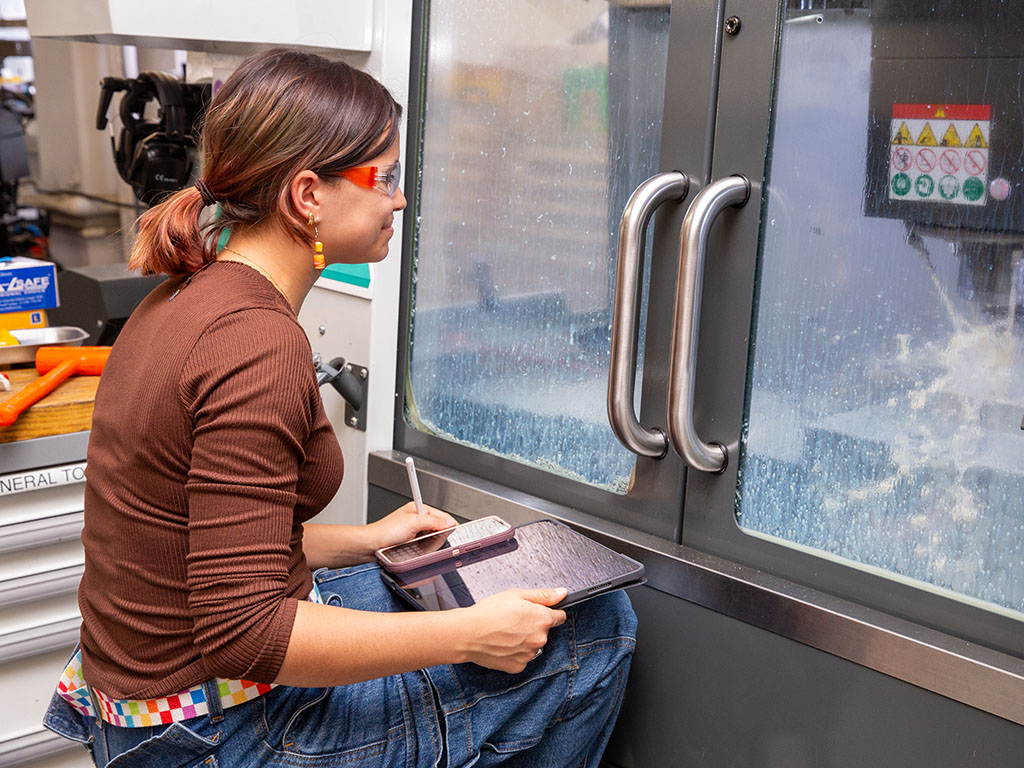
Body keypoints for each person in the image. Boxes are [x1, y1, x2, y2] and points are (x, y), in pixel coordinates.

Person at [42, 48, 637, 767]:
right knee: (598, 624)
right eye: (383, 177)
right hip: (212, 735)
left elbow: (194, 539)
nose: (400, 199)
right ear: (306, 196)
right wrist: (469, 634)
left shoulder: (182, 296)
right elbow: (246, 633)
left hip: (144, 707)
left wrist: (366, 539)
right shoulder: (255, 345)